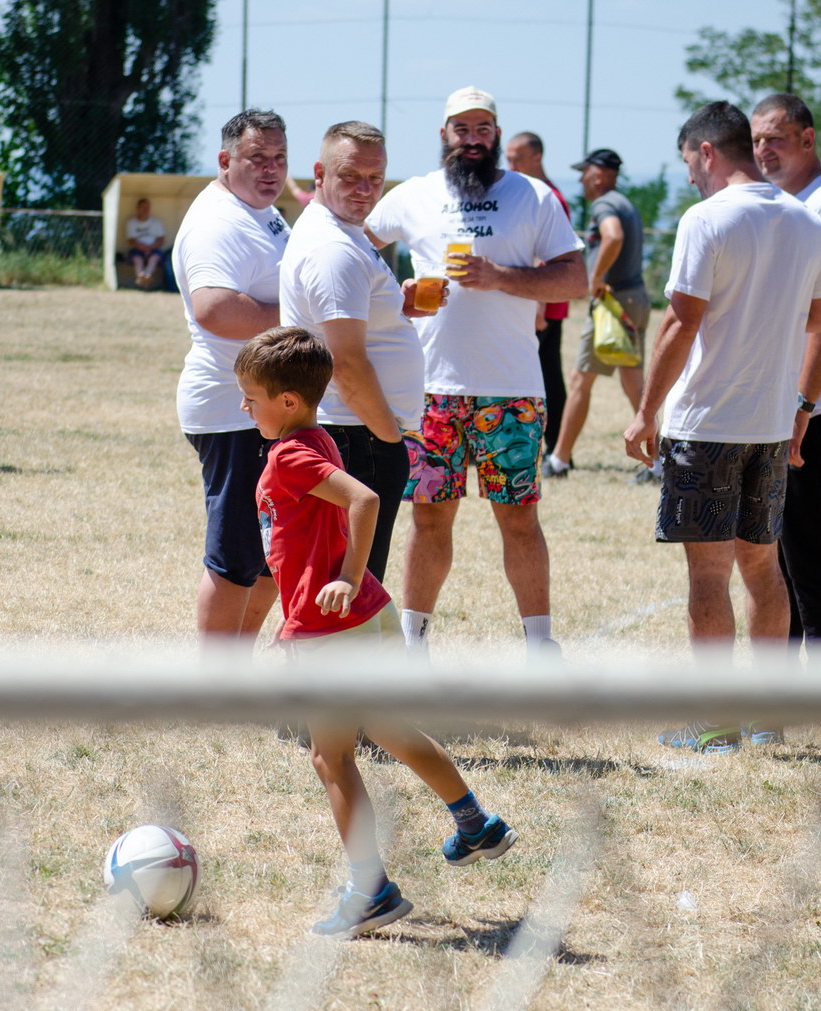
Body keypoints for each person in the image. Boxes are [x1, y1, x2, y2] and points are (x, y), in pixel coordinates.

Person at [234, 326, 516, 938]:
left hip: (332, 626)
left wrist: (344, 576)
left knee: (330, 755)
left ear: (287, 400)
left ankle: (371, 891)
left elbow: (363, 501)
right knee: (387, 726)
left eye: (251, 397)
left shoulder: (290, 455)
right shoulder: (317, 437)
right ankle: (475, 823)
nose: (244, 407)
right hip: (367, 615)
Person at [622, 101, 821, 753]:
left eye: (689, 162)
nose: (690, 175)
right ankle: (767, 721)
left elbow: (680, 321)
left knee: (709, 576)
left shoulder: (707, 218)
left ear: (707, 152)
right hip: (770, 425)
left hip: (708, 424)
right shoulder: (805, 220)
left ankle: (716, 724)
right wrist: (769, 311)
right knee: (764, 570)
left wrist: (644, 411)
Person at [364, 87, 586, 658]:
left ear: (496, 135)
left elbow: (574, 278)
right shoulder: (414, 194)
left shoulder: (532, 195)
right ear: (444, 135)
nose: (472, 139)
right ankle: (413, 647)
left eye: (482, 128)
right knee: (429, 519)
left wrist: (501, 276)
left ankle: (540, 648)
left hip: (512, 391)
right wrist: (393, 290)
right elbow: (355, 246)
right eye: (461, 128)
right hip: (431, 390)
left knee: (519, 519)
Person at [279, 120, 442, 581]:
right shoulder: (335, 248)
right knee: (349, 585)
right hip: (354, 436)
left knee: (344, 582)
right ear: (319, 173)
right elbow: (346, 364)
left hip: (355, 433)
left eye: (375, 178)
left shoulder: (345, 233)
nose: (365, 190)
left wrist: (396, 308)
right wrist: (390, 440)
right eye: (350, 176)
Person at [751, 93, 821, 664]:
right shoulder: (785, 203)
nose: (763, 150)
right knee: (777, 543)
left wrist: (803, 402)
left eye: (774, 138)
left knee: (806, 540)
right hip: (781, 398)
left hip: (815, 400)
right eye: (755, 140)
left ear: (807, 138)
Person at [173, 109, 291, 643]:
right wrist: (303, 320)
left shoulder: (261, 210)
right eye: (257, 158)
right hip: (232, 410)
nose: (271, 169)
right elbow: (214, 309)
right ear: (225, 160)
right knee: (236, 555)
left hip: (261, 409)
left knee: (268, 555)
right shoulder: (218, 222)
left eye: (279, 158)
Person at [544, 148, 652, 482]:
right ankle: (659, 462)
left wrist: (596, 278)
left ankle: (558, 460)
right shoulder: (625, 202)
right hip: (635, 298)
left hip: (612, 303)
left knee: (581, 380)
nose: (581, 180)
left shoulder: (605, 204)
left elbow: (613, 236)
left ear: (599, 174)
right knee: (634, 384)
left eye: (584, 172)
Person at [504, 131, 572, 458]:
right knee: (547, 372)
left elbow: (549, 255)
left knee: (538, 376)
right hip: (539, 301)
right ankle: (556, 447)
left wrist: (539, 306)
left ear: (537, 157)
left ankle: (553, 446)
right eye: (508, 158)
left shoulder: (548, 197)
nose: (510, 165)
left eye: (517, 158)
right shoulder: (533, 193)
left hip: (542, 303)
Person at [125, 198, 166, 289]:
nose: (145, 210)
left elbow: (161, 239)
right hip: (138, 249)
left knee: (154, 258)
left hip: (153, 249)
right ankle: (140, 275)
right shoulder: (131, 223)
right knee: (137, 259)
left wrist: (150, 248)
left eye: (147, 207)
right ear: (137, 208)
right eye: (143, 207)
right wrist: (142, 247)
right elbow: (131, 240)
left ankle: (147, 275)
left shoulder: (156, 222)